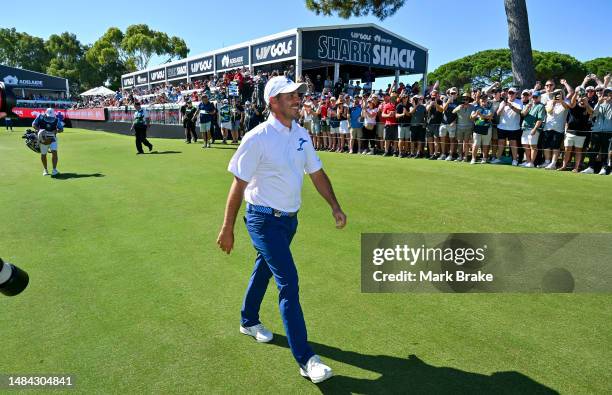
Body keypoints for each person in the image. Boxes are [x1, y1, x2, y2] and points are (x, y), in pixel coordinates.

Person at [217, 75, 347, 384]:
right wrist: (228, 227)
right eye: (290, 95)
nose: (298, 99)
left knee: (264, 269)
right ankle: (306, 359)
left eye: (298, 94)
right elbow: (238, 186)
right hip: (262, 219)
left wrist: (335, 205)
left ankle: (248, 320)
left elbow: (316, 173)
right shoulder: (257, 137)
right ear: (273, 101)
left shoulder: (301, 133)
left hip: (289, 220)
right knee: (288, 281)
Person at [33, 108, 63, 175]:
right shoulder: (40, 117)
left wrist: (57, 131)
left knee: (54, 152)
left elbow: (61, 129)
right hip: (43, 139)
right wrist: (40, 131)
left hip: (53, 139)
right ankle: (45, 170)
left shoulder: (56, 119)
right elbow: (34, 124)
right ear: (45, 113)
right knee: (43, 154)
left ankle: (54, 170)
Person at [519, 91, 545, 168]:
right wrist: (527, 107)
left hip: (533, 128)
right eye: (533, 97)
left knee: (533, 146)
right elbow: (523, 114)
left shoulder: (541, 106)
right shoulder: (529, 105)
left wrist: (535, 129)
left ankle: (531, 162)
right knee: (525, 145)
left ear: (539, 98)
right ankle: (527, 161)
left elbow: (540, 119)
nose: (534, 98)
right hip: (525, 128)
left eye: (536, 97)